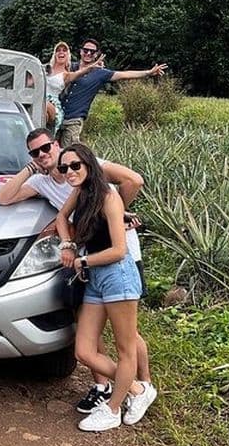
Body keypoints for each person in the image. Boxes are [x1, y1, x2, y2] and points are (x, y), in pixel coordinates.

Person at [0, 128, 153, 415]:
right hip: (87, 259)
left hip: (120, 255)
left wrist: (112, 214)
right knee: (87, 329)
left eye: (46, 148)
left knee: (129, 332)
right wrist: (30, 169)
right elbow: (5, 198)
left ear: (57, 144)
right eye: (35, 153)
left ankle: (143, 384)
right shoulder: (46, 182)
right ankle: (107, 386)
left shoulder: (89, 167)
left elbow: (134, 180)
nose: (43, 155)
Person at [55, 142, 157, 431]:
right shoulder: (80, 192)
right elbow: (62, 217)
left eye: (76, 166)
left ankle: (113, 409)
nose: (70, 172)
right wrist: (67, 244)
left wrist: (82, 261)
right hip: (96, 278)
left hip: (117, 275)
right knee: (84, 351)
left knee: (126, 348)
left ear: (89, 165)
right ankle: (137, 390)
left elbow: (118, 250)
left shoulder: (108, 197)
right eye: (64, 168)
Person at [57, 38, 168, 145]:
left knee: (67, 154)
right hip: (56, 115)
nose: (88, 53)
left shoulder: (100, 73)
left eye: (92, 51)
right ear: (81, 51)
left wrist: (148, 72)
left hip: (73, 120)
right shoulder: (69, 66)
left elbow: (125, 74)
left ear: (96, 54)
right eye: (86, 50)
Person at [44, 41, 103, 135]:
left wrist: (93, 66)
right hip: (39, 101)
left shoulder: (67, 74)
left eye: (64, 51)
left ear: (68, 55)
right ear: (54, 54)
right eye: (58, 50)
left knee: (45, 105)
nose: (61, 52)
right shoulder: (45, 69)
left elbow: (81, 72)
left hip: (53, 105)